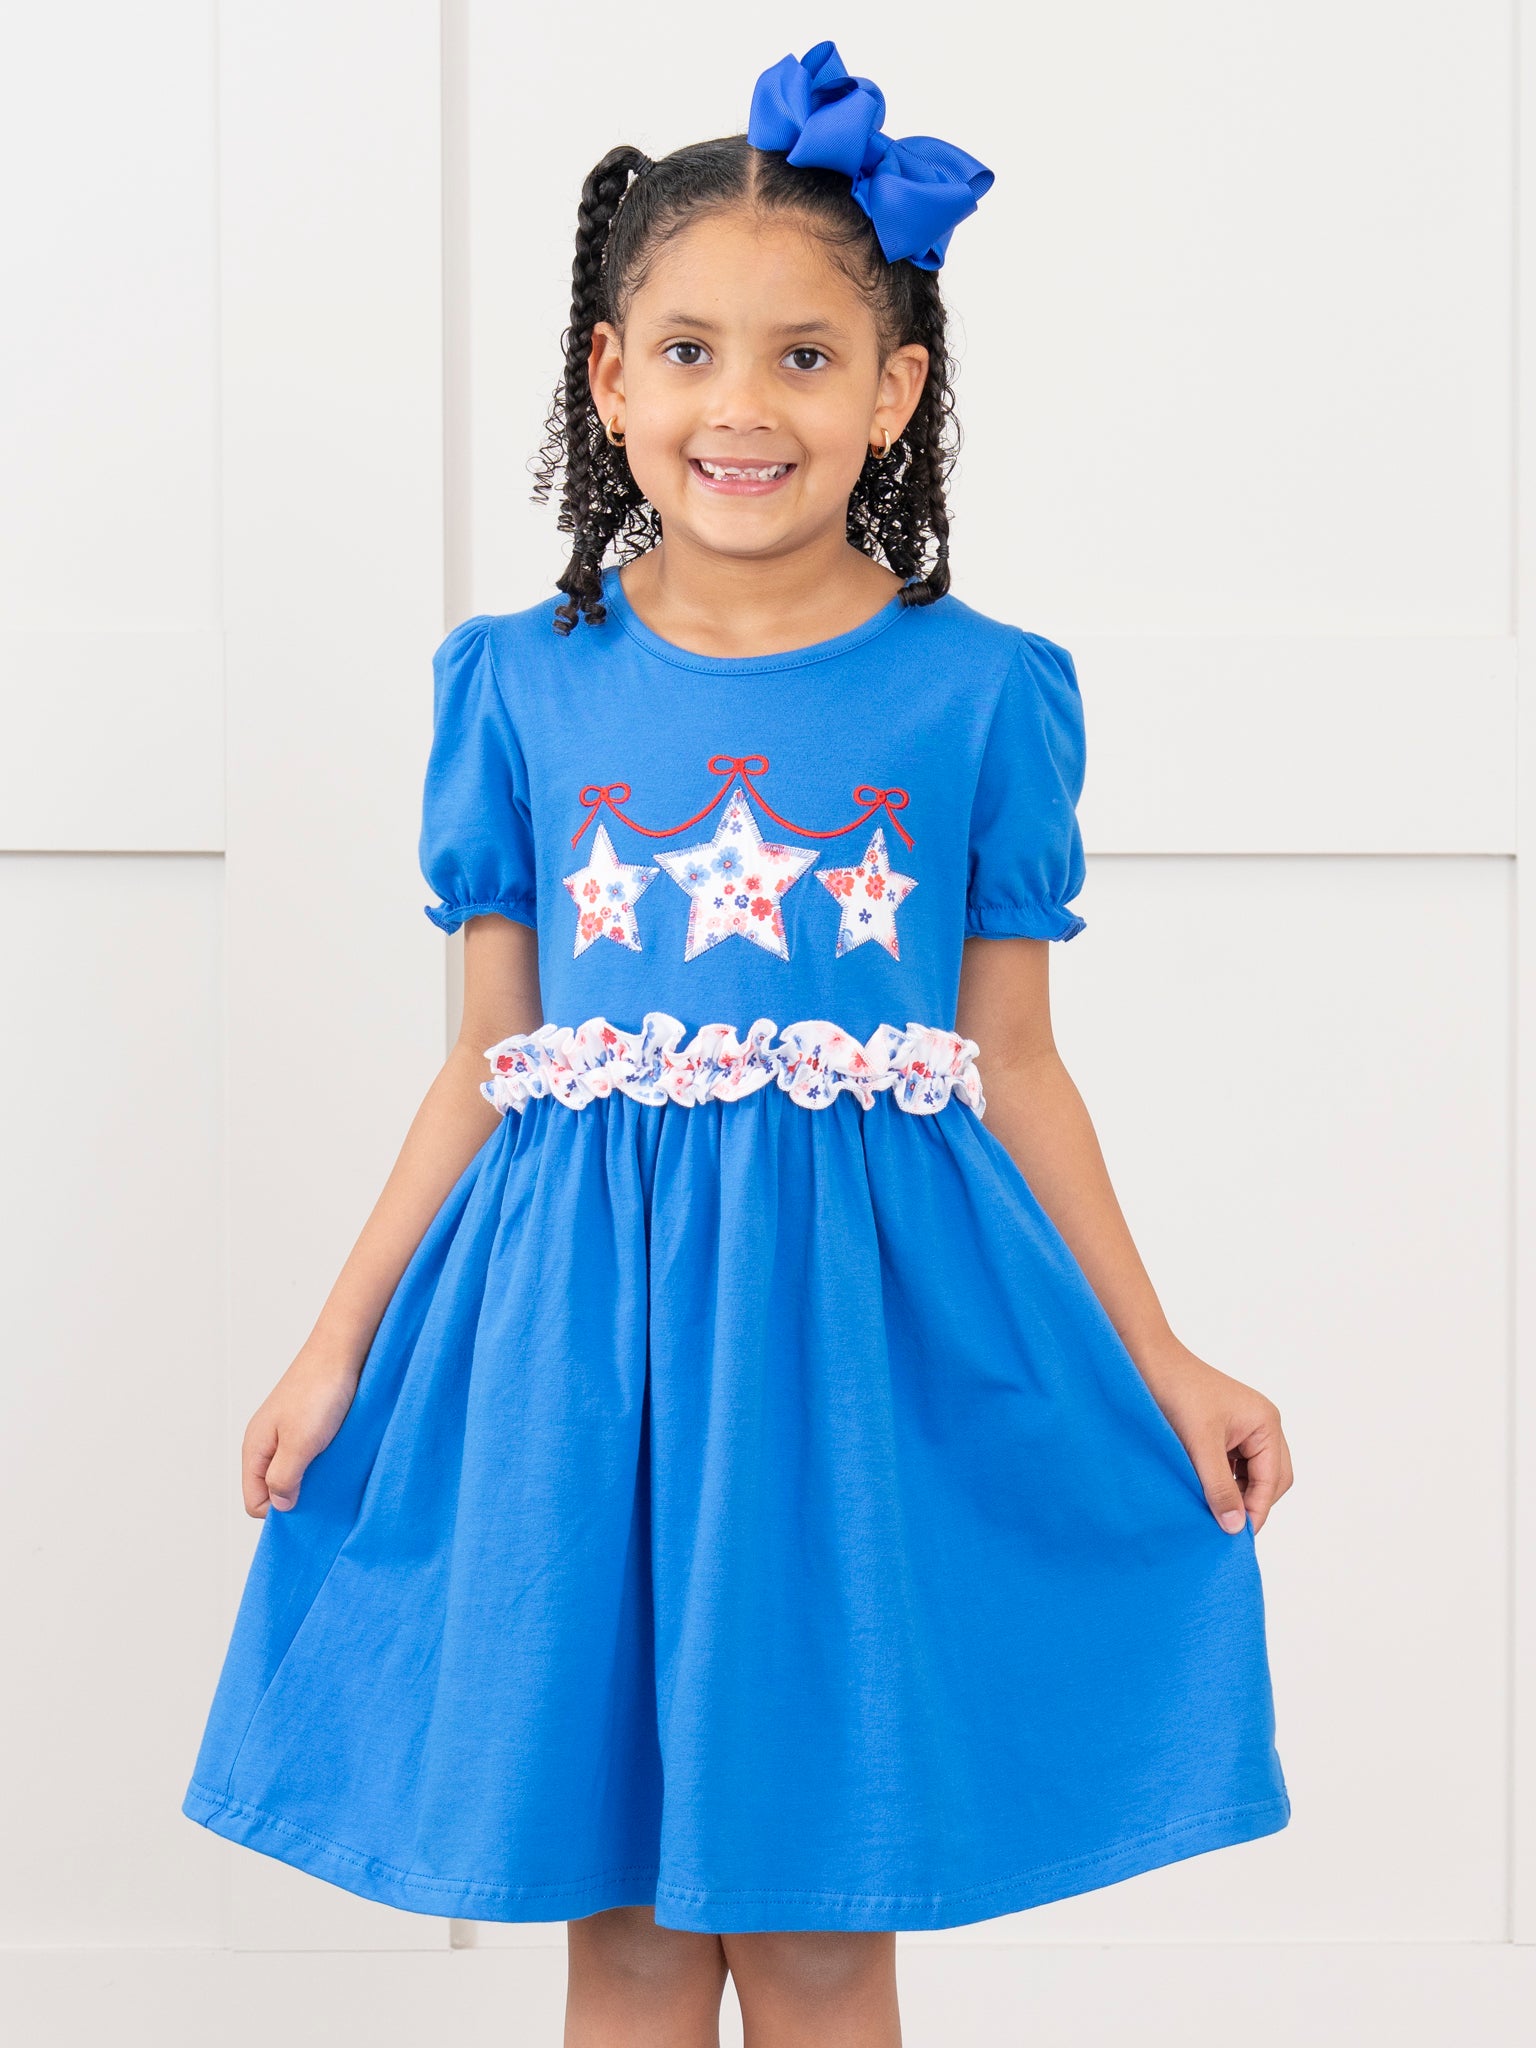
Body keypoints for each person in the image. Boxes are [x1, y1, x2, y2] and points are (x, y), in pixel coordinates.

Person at [183, 40, 1294, 2048]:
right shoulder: (516, 685)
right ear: (610, 379)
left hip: (848, 1358)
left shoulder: (982, 694)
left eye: (804, 357)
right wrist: (338, 1339)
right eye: (691, 353)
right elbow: (486, 1059)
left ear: (895, 390)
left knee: (814, 1920)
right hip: (576, 1349)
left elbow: (1018, 1063)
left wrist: (1162, 1355)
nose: (743, 406)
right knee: (618, 1928)